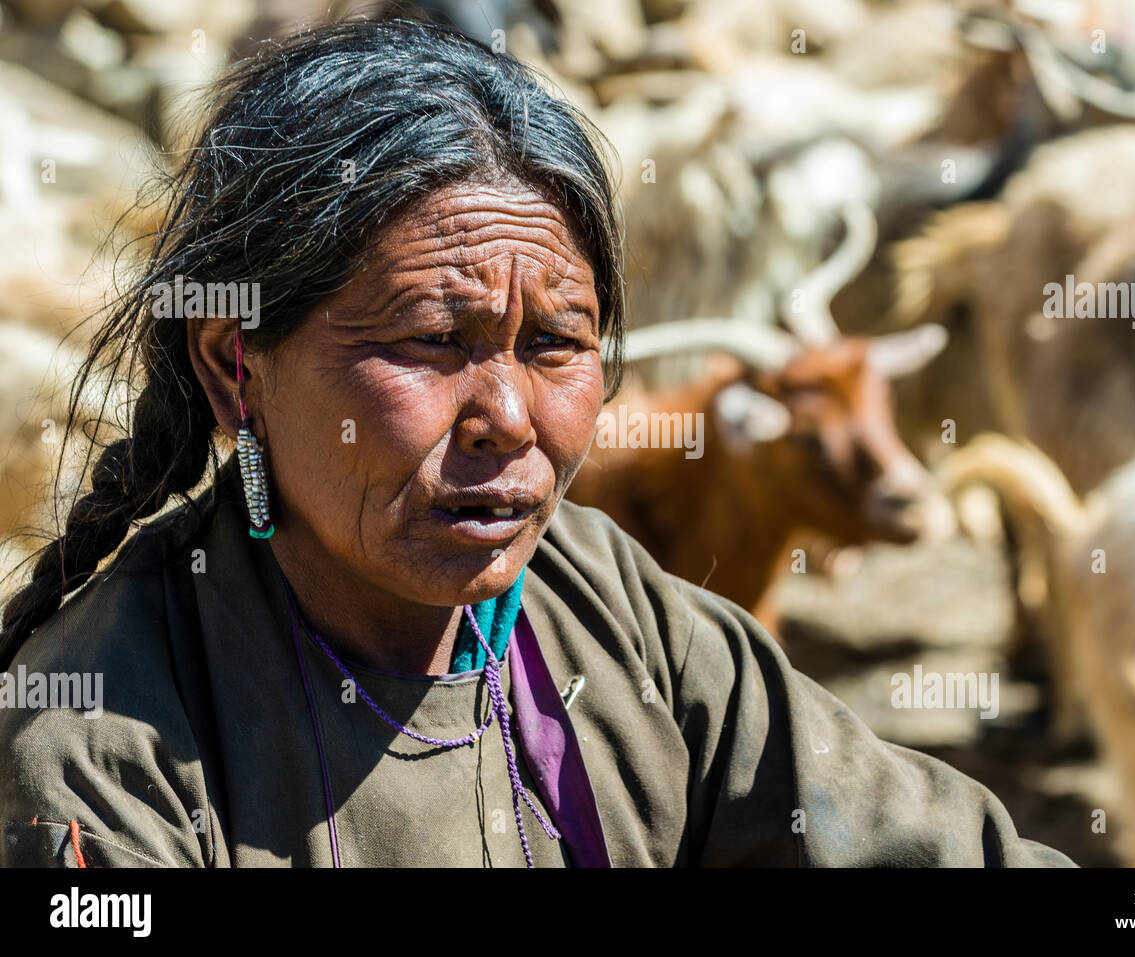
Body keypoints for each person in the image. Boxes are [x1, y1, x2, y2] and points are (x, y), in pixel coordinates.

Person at [0, 18, 1072, 868]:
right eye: (431, 342)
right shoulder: (102, 752)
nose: (510, 418)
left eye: (556, 342)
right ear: (239, 369)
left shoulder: (605, 605)